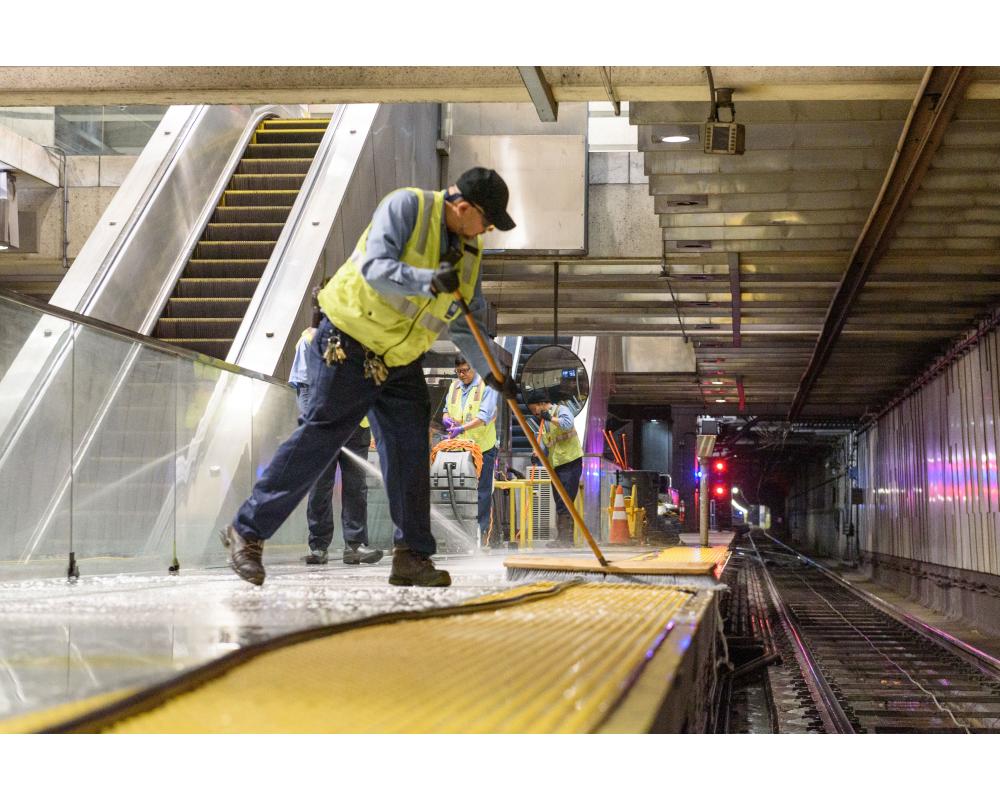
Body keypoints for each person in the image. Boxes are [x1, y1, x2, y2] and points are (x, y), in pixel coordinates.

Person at [220, 166, 517, 587]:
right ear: (463, 207)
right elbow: (376, 267)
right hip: (348, 339)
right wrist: (427, 279)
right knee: (320, 437)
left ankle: (412, 556)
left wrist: (493, 373)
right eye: (486, 221)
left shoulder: (471, 255)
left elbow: (465, 323)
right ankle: (246, 532)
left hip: (399, 360)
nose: (486, 230)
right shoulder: (407, 207)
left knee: (411, 452)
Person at [287, 300, 382, 567]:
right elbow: (304, 386)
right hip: (325, 429)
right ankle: (318, 546)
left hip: (356, 427)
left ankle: (355, 545)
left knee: (356, 488)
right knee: (321, 487)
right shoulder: (309, 340)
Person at [442, 355, 499, 547]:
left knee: (481, 493)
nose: (462, 375)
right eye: (458, 371)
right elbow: (445, 409)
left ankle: (480, 537)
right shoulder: (454, 386)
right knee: (458, 492)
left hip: (483, 449)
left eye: (465, 370)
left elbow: (484, 417)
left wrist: (462, 428)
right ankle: (460, 536)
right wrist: (446, 419)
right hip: (459, 449)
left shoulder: (488, 386)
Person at [526, 390, 583, 548]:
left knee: (566, 500)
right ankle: (563, 539)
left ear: (541, 404)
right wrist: (538, 454)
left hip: (570, 462)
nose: (534, 413)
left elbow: (568, 424)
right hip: (556, 465)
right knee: (559, 501)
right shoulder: (543, 423)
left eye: (534, 409)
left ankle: (566, 539)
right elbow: (547, 444)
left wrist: (550, 417)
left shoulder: (561, 410)